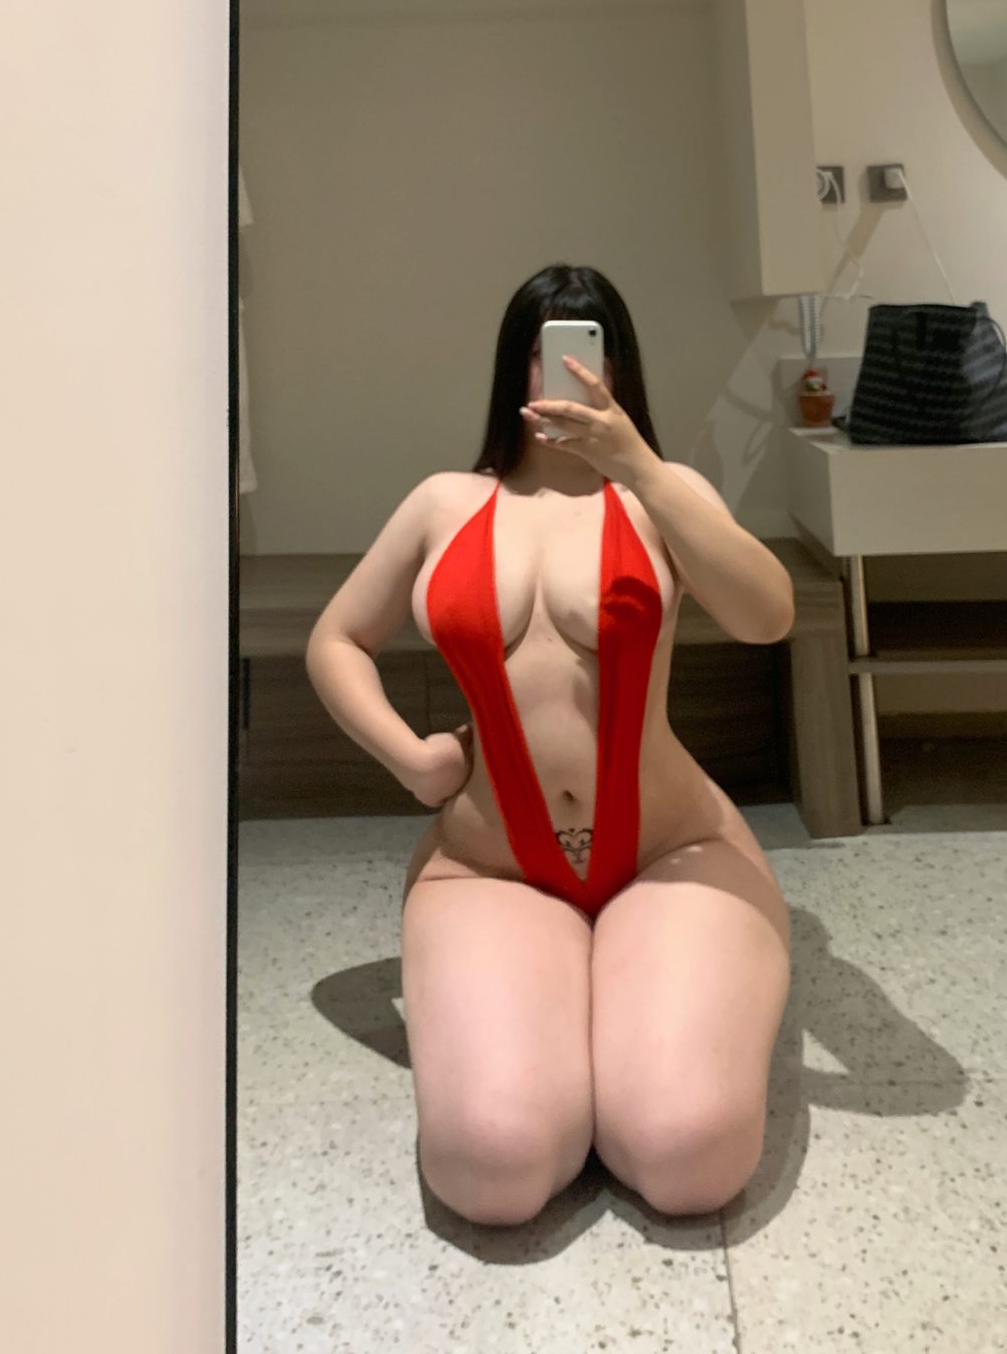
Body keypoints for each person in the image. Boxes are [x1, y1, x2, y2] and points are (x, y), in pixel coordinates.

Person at [305, 264, 794, 1227]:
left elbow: (767, 615)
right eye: (540, 351)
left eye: (583, 347)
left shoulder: (666, 496)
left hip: (671, 852)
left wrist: (640, 465)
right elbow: (336, 639)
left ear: (619, 365)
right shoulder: (443, 503)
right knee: (490, 1168)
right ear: (511, 369)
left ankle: (628, 1032)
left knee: (691, 1155)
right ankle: (577, 1035)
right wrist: (409, 757)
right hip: (488, 867)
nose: (563, 371)